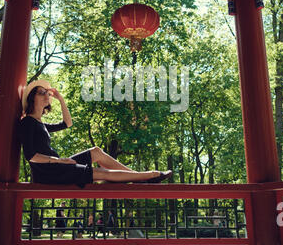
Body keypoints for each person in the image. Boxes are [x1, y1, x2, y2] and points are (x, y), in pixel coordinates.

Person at [19, 79, 173, 187]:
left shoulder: (40, 124)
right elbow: (31, 156)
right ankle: (152, 175)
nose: (47, 94)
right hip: (49, 174)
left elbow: (67, 123)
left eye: (47, 92)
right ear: (32, 98)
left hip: (58, 167)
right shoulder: (27, 122)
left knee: (96, 152)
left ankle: (137, 177)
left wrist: (61, 99)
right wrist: (60, 161)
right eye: (41, 92)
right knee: (102, 172)